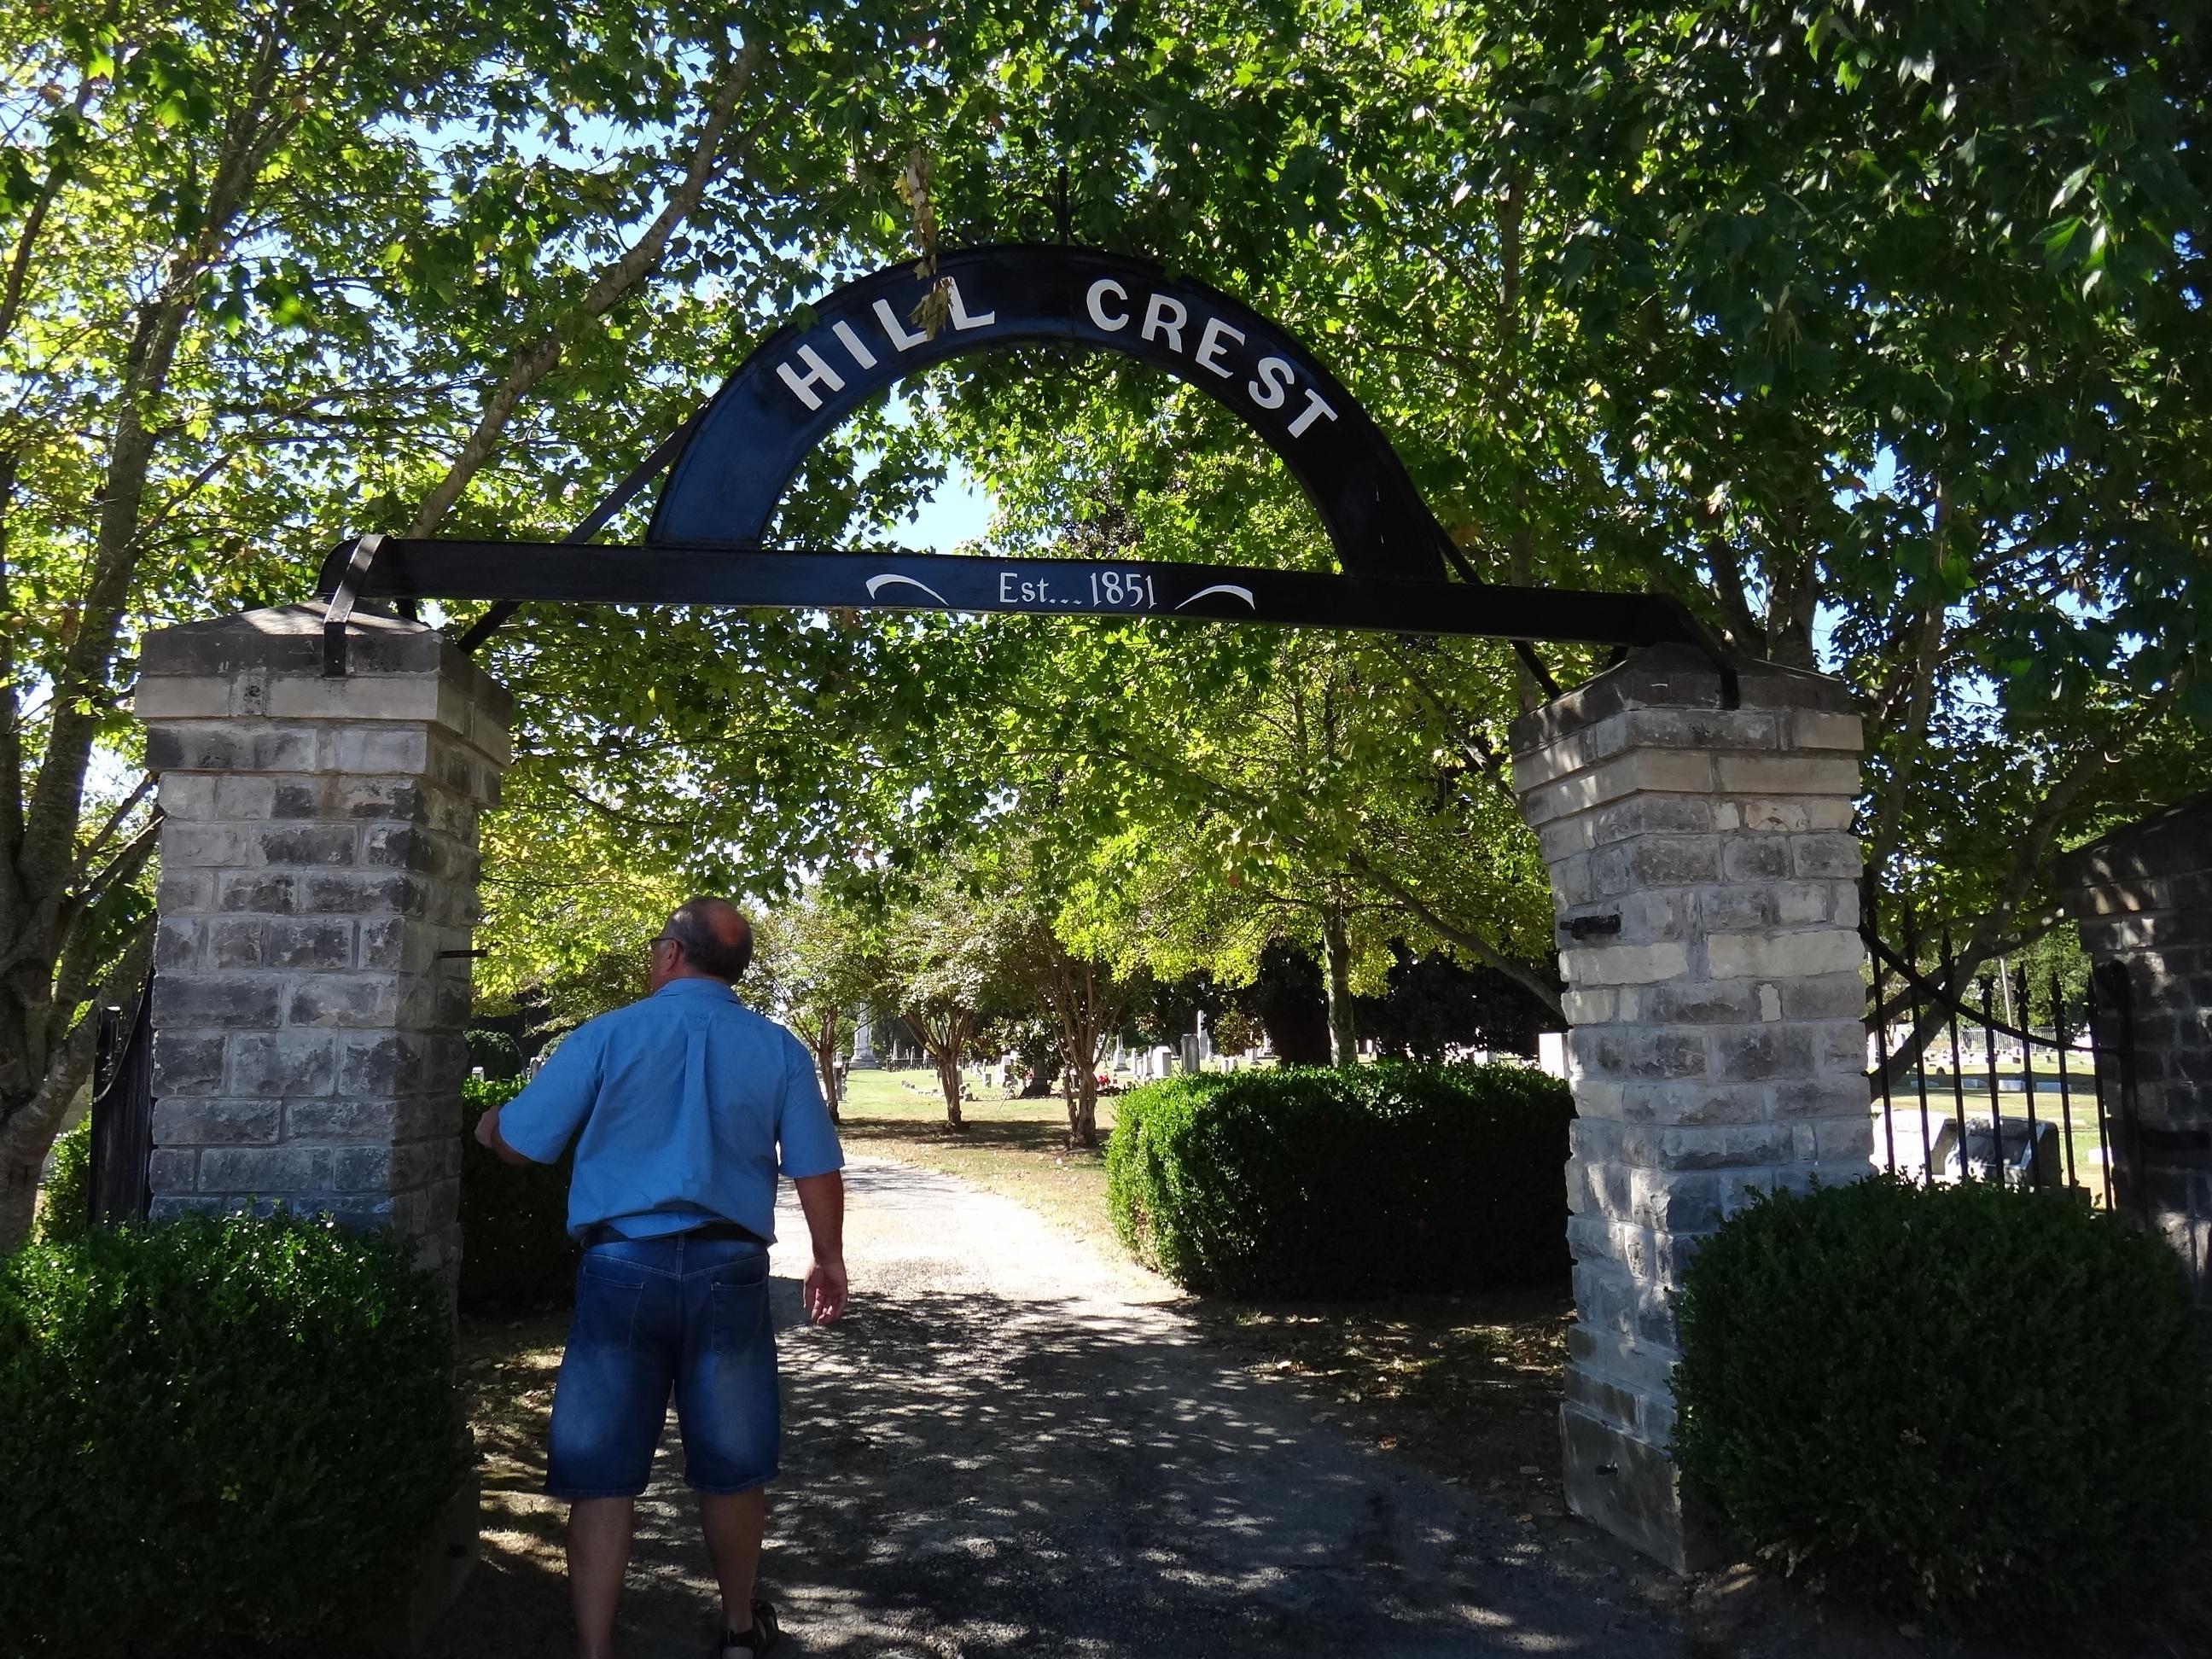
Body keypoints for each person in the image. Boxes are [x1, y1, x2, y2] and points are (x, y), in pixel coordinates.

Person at [474, 896, 846, 1659]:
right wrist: (827, 1255)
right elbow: (814, 1163)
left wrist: (489, 1125)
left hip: (621, 1270)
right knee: (734, 1467)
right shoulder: (776, 1049)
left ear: (672, 954)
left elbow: (520, 1141)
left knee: (603, 1475)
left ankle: (596, 1650)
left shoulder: (608, 1034)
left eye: (656, 946)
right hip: (729, 1270)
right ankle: (740, 1630)